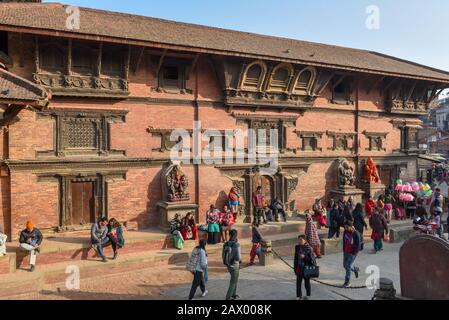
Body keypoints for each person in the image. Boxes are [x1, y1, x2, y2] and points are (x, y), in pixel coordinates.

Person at [294, 235, 314, 300]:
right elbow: (295, 258)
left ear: (305, 240)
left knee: (307, 282)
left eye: (301, 240)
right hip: (299, 268)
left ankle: (308, 295)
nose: (299, 241)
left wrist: (304, 257)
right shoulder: (297, 247)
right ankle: (298, 295)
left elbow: (311, 260)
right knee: (298, 283)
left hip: (306, 268)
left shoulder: (309, 248)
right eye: (299, 240)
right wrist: (295, 267)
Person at [223, 229, 242, 300]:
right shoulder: (236, 245)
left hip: (228, 264)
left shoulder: (225, 244)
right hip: (235, 265)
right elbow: (238, 257)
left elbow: (223, 255)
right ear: (236, 235)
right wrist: (240, 261)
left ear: (229, 235)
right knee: (233, 282)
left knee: (234, 280)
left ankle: (233, 294)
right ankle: (228, 297)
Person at [342, 222, 361, 288]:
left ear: (351, 226)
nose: (346, 228)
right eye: (345, 227)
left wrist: (353, 253)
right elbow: (344, 241)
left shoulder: (356, 233)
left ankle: (347, 282)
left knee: (348, 266)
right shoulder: (345, 232)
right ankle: (355, 269)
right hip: (346, 251)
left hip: (352, 253)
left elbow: (358, 245)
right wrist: (344, 249)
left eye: (347, 227)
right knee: (345, 265)